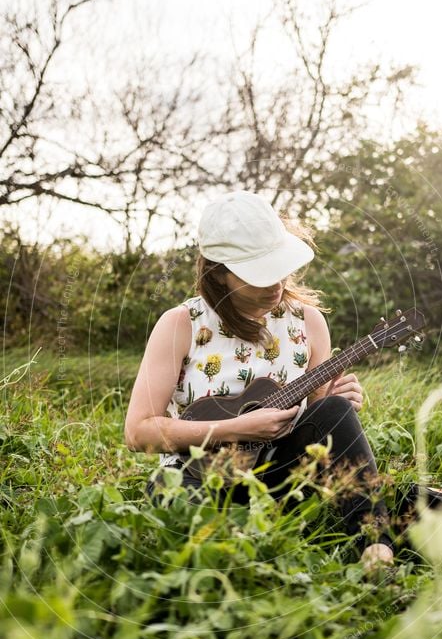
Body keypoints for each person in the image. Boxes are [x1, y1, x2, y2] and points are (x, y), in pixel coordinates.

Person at [124, 191, 394, 570]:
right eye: (260, 274)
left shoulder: (308, 322)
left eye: (279, 269)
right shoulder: (181, 324)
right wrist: (234, 428)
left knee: (333, 410)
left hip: (282, 475)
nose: (276, 285)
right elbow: (139, 432)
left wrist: (337, 401)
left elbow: (315, 415)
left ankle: (376, 548)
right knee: (178, 509)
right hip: (201, 475)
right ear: (219, 271)